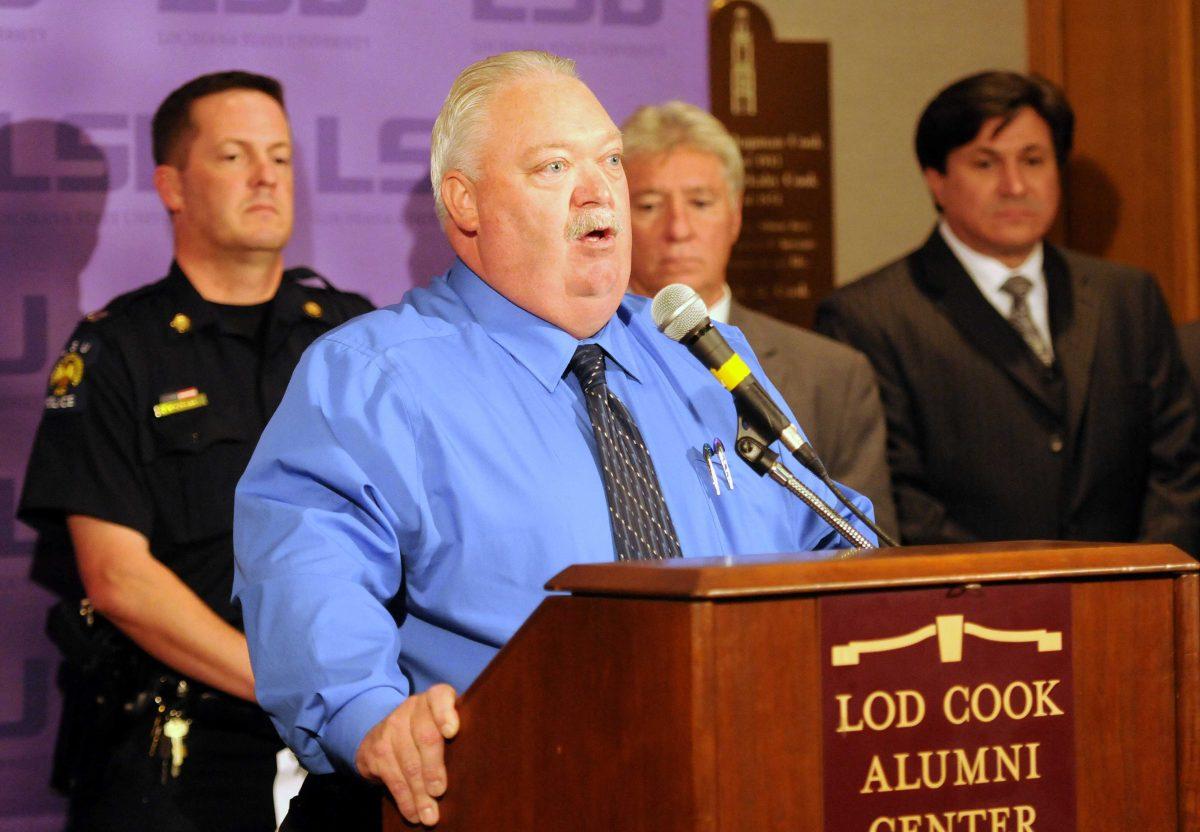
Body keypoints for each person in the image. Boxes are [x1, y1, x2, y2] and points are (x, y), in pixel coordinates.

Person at [232, 50, 875, 828]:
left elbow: (833, 545)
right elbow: (310, 575)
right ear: (464, 204)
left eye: (609, 159)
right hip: (497, 794)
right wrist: (372, 718)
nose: (598, 188)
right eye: (552, 167)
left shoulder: (703, 357)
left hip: (736, 783)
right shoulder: (372, 377)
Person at [17, 71, 373, 831]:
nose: (265, 176)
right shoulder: (117, 350)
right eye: (234, 156)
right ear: (172, 187)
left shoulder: (351, 336)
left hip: (352, 747)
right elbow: (117, 578)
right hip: (181, 757)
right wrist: (296, 685)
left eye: (279, 156)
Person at [815, 70, 1200, 550]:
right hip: (973, 606)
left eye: (1033, 160)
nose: (1015, 185)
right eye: (985, 163)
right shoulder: (868, 317)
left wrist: (1145, 579)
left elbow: (1179, 465)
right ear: (936, 180)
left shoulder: (1126, 296)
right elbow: (898, 498)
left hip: (1131, 597)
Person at [621, 100, 897, 538]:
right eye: (650, 205)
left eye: (700, 202)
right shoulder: (589, 365)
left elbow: (863, 545)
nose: (678, 229)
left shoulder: (830, 374)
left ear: (735, 214)